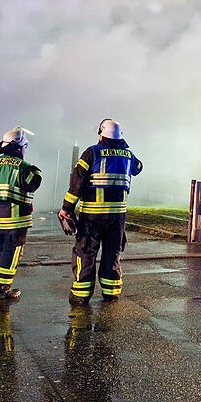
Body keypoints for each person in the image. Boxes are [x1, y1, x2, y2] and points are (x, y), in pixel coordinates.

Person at [59, 119, 142, 305]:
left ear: (101, 133)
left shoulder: (92, 152)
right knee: (112, 253)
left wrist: (66, 208)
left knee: (86, 252)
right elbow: (138, 168)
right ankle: (111, 292)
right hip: (117, 217)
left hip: (92, 217)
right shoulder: (128, 155)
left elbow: (77, 182)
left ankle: (81, 296)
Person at [0, 126, 42, 300]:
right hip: (17, 222)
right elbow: (33, 183)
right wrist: (36, 171)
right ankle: (2, 289)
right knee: (11, 255)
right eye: (24, 147)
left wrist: (1, 201)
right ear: (19, 147)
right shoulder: (23, 166)